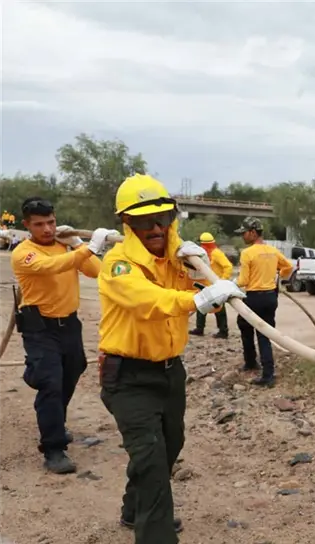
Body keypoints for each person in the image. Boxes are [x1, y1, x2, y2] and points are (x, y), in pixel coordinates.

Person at [98, 174, 245, 543]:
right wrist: (197, 299)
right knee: (151, 465)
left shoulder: (176, 261)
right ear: (127, 224)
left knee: (169, 446)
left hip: (170, 374)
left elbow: (212, 288)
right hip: (128, 378)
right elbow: (148, 301)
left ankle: (134, 509)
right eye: (144, 220)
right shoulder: (118, 265)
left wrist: (198, 265)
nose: (156, 227)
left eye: (163, 218)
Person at [10, 197, 117, 474]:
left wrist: (80, 245)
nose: (47, 229)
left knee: (73, 370)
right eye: (39, 224)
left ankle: (52, 413)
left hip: (68, 324)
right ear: (27, 225)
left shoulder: (65, 245)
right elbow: (51, 267)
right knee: (50, 382)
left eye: (51, 222)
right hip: (39, 327)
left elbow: (97, 273)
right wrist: (89, 248)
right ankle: (54, 448)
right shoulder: (24, 253)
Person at [234, 217, 293, 387]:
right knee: (264, 333)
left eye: (244, 233)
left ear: (253, 233)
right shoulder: (272, 251)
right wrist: (277, 278)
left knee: (248, 328)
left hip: (253, 298)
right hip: (270, 297)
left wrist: (229, 284)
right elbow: (288, 267)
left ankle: (255, 365)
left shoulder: (247, 253)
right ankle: (266, 371)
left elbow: (243, 280)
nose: (242, 236)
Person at [188, 232, 233, 339]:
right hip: (206, 285)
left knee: (219, 308)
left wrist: (222, 281)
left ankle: (223, 331)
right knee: (201, 305)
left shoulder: (216, 253)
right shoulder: (205, 254)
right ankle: (199, 328)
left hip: (216, 285)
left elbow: (228, 266)